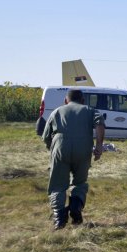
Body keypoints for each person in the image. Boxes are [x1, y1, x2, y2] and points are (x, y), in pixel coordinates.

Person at [41, 89, 105, 229]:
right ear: (82, 100)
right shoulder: (90, 110)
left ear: (66, 100)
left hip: (61, 147)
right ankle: (75, 207)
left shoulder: (57, 111)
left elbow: (46, 136)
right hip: (83, 149)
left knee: (58, 185)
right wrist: (99, 146)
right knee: (80, 182)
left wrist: (51, 148)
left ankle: (59, 218)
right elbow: (100, 123)